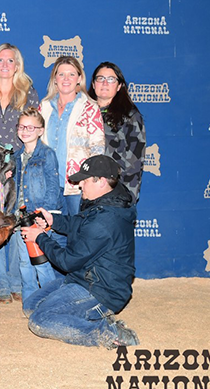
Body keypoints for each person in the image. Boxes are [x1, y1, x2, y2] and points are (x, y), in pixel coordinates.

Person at [20, 155, 139, 349]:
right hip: (84, 278)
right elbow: (80, 223)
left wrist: (40, 237)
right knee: (30, 307)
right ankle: (89, 316)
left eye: (84, 180)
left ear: (101, 181)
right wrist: (53, 221)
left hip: (102, 290)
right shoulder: (106, 202)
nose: (80, 185)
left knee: (40, 320)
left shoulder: (106, 220)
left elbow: (67, 262)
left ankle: (109, 333)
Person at [0, 43, 39, 304]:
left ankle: (16, 281)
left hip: (20, 165)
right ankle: (0, 283)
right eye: (0, 60)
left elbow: (35, 128)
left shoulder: (28, 94)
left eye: (10, 60)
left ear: (17, 66)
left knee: (15, 221)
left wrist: (16, 164)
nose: (5, 65)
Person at [40, 55, 104, 218]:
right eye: (61, 74)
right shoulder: (44, 107)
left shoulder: (90, 108)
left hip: (78, 185)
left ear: (79, 79)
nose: (66, 78)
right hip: (48, 185)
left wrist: (90, 180)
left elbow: (97, 148)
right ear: (55, 79)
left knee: (79, 229)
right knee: (49, 230)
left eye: (71, 74)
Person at [11, 108, 61, 305]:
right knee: (25, 262)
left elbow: (53, 187)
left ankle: (51, 302)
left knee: (41, 261)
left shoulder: (47, 154)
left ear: (41, 130)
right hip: (21, 217)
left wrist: (44, 215)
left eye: (31, 127)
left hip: (39, 216)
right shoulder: (16, 156)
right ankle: (30, 302)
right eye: (22, 127)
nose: (25, 131)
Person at [88, 62, 146, 204]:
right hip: (84, 187)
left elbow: (135, 160)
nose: (105, 83)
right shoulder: (82, 111)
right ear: (94, 84)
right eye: (100, 78)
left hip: (114, 189)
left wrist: (128, 196)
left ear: (119, 86)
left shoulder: (129, 115)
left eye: (111, 79)